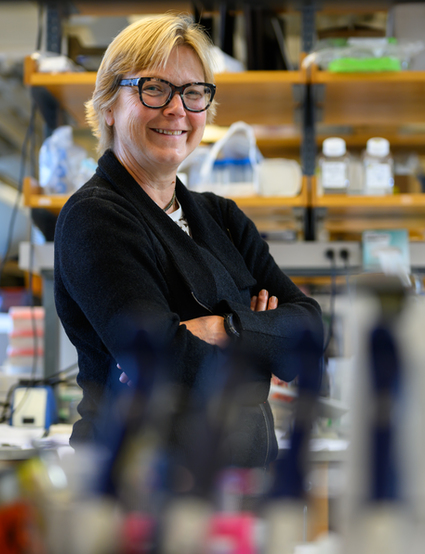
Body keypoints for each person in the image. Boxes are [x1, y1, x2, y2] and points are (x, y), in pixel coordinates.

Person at [53, 14, 323, 469]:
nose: (177, 109)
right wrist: (261, 351)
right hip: (142, 488)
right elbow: (165, 367)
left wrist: (226, 328)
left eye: (193, 93)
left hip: (244, 482)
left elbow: (310, 334)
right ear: (108, 107)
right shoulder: (95, 216)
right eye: (154, 88)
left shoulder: (221, 216)